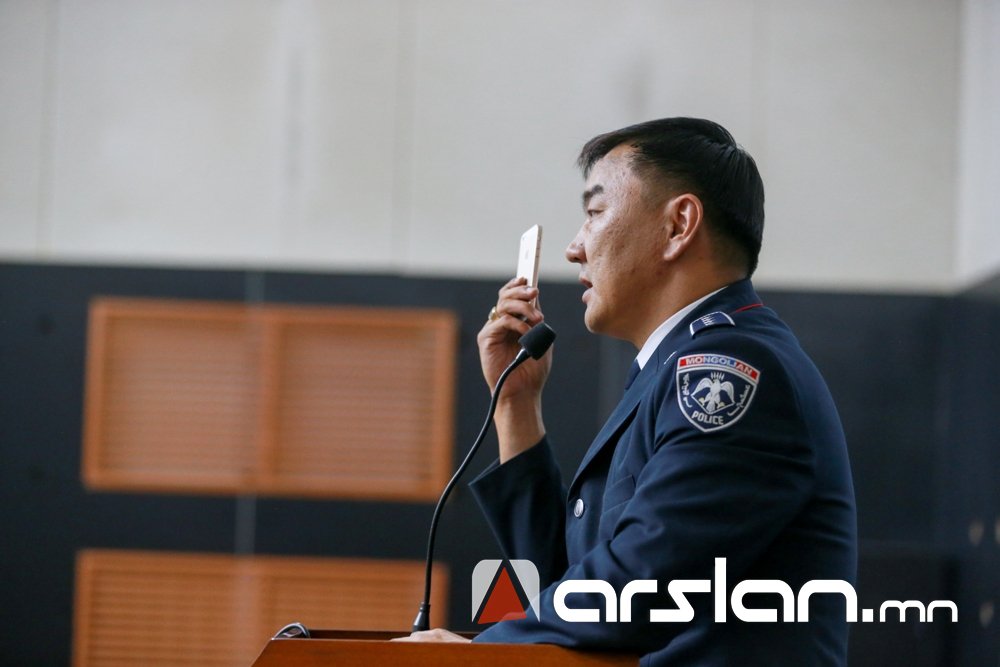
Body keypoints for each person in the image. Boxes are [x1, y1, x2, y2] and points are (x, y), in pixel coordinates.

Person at [401, 118, 857, 665]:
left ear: (678, 224)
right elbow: (570, 593)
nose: (574, 248)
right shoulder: (674, 367)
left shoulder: (728, 371)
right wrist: (516, 405)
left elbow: (640, 588)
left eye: (595, 212)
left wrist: (477, 655)